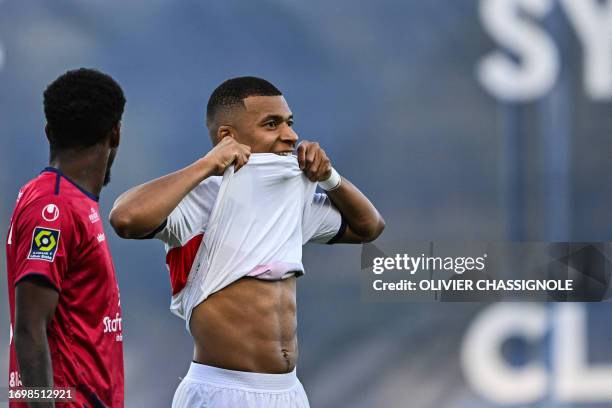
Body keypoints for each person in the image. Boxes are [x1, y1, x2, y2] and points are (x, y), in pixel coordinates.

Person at [109, 76, 384, 407]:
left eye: (289, 123)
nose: (291, 135)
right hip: (221, 391)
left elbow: (369, 227)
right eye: (272, 124)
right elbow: (125, 218)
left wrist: (330, 177)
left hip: (289, 391)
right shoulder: (201, 200)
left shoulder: (291, 201)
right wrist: (208, 163)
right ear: (227, 136)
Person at [6, 68, 126, 408]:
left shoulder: (69, 201)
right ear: (115, 134)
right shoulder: (53, 208)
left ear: (48, 132)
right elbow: (30, 328)